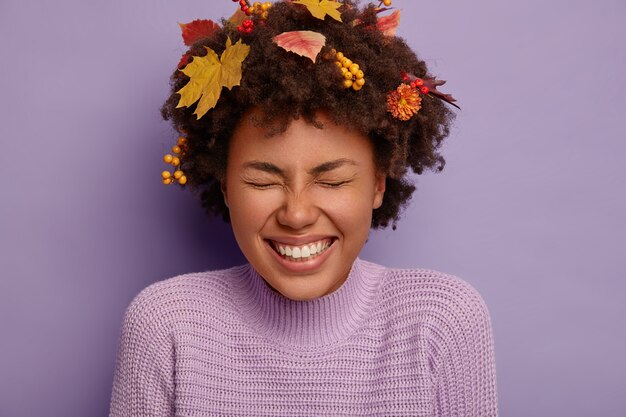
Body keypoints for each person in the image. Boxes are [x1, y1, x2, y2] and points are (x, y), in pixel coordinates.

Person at [109, 1, 498, 415]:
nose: (296, 215)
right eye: (262, 181)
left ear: (378, 186)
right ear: (224, 186)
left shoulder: (442, 321)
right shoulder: (166, 327)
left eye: (331, 181)